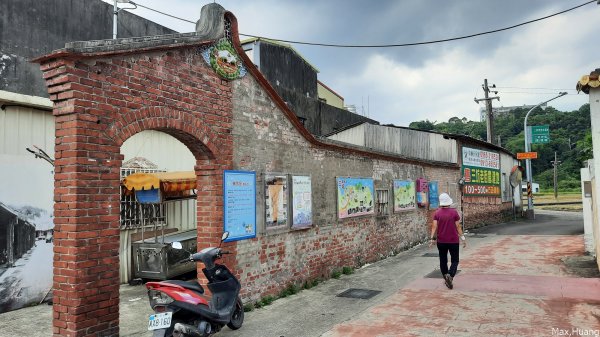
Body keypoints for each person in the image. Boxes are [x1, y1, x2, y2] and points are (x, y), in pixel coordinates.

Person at [428, 193, 466, 289]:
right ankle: (450, 275)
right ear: (449, 201)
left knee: (443, 260)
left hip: (441, 241)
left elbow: (434, 227)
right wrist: (463, 238)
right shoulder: (454, 213)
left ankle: (446, 277)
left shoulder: (437, 213)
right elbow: (458, 226)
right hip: (453, 241)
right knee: (455, 260)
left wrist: (432, 239)